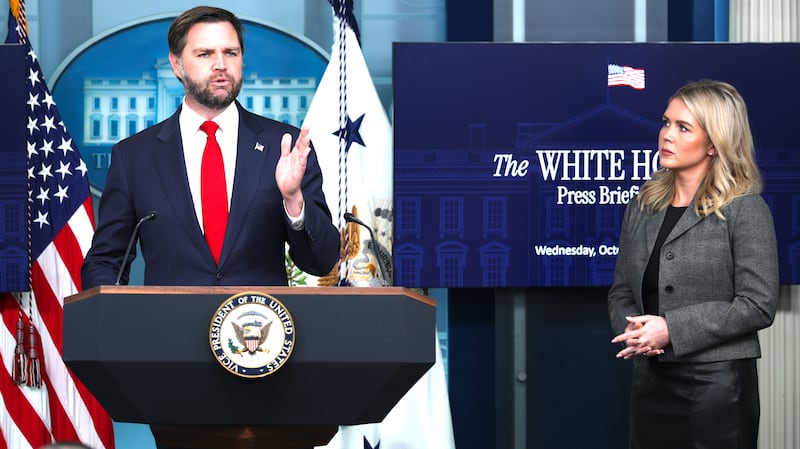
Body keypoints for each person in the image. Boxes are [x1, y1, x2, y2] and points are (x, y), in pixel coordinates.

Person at [81, 6, 339, 289]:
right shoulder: (134, 156)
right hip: (167, 328)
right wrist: (109, 321)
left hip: (258, 327)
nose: (221, 64)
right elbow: (106, 263)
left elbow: (322, 261)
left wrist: (293, 200)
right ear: (177, 64)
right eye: (205, 54)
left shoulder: (285, 147)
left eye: (231, 53)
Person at [607, 79, 779, 449]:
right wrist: (635, 334)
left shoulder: (745, 208)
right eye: (666, 122)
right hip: (650, 381)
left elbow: (758, 305)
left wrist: (671, 329)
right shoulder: (643, 204)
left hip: (717, 387)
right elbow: (621, 289)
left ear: (715, 143)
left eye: (683, 127)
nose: (666, 135)